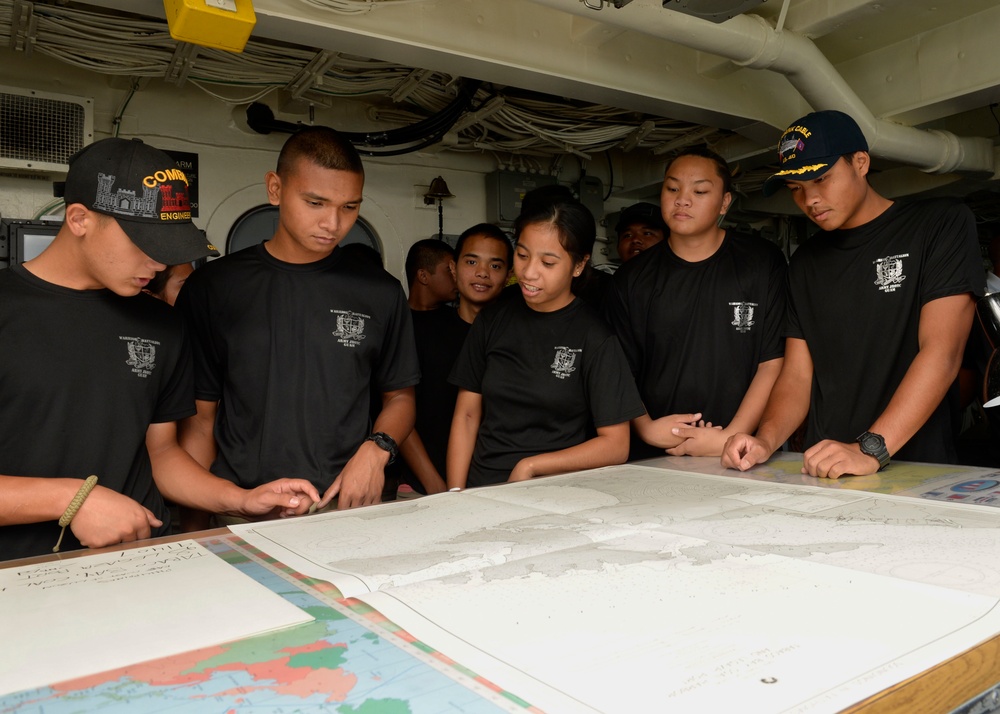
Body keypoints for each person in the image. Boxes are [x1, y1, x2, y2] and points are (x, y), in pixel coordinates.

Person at [0, 137, 319, 561]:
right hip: (20, 573)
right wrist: (72, 499)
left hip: (142, 561)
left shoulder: (162, 324)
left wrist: (240, 499)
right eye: (145, 244)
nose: (159, 264)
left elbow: (162, 453)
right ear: (79, 219)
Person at [722, 110, 983, 478]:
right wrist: (765, 440)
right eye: (796, 188)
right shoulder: (805, 263)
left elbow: (943, 352)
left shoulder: (939, 225)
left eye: (822, 179)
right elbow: (797, 376)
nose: (810, 199)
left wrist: (870, 448)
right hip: (824, 469)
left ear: (860, 163)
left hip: (916, 469)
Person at [176, 126, 419, 514]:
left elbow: (401, 396)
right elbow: (200, 420)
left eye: (349, 207)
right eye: (315, 203)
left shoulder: (380, 292)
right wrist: (202, 516)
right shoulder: (214, 287)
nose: (333, 224)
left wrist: (377, 450)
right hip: (243, 505)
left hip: (346, 505)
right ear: (275, 188)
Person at [447, 197, 645, 488]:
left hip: (553, 495)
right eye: (523, 255)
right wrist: (455, 494)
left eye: (548, 262)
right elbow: (466, 415)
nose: (528, 272)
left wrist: (532, 466)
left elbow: (616, 444)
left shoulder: (594, 336)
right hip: (483, 489)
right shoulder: (492, 321)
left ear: (578, 265)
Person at [606, 146, 787, 460]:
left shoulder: (761, 263)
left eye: (700, 190)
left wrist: (732, 435)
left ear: (724, 203)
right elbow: (617, 371)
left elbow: (771, 363)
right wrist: (646, 428)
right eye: (672, 188)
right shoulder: (632, 278)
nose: (682, 199)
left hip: (742, 453)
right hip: (657, 453)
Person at [398, 223, 512, 494]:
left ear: (509, 276)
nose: (482, 273)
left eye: (495, 266)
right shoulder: (417, 331)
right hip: (425, 485)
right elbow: (399, 411)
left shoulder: (516, 336)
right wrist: (437, 486)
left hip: (500, 483)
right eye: (471, 261)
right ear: (453, 267)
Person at [405, 238, 458, 311]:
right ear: (423, 276)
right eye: (449, 270)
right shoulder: (396, 319)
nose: (456, 277)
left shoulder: (460, 319)